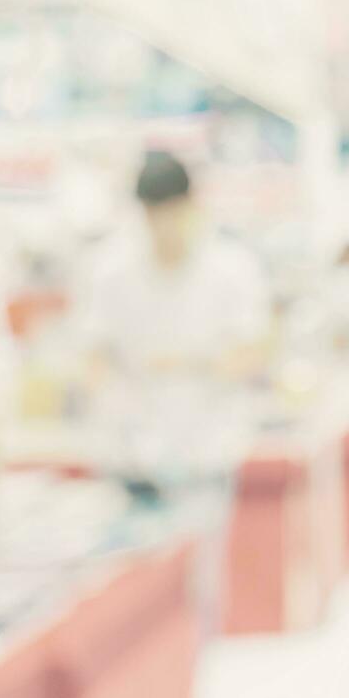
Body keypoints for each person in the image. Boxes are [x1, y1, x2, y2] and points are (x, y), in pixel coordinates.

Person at [82, 151, 270, 629]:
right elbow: (94, 354)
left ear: (191, 206)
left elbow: (253, 352)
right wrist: (111, 395)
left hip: (204, 452)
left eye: (170, 214)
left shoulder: (231, 268)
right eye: (151, 216)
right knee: (135, 596)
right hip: (131, 456)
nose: (162, 228)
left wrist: (193, 364)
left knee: (199, 588)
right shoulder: (112, 270)